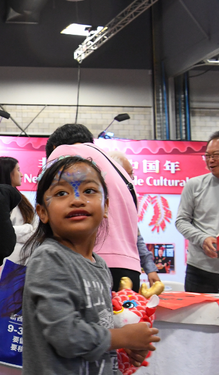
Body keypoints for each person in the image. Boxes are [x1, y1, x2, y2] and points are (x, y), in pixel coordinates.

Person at [20, 156, 159, 374]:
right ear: (43, 212)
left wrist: (124, 346)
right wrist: (122, 337)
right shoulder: (49, 258)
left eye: (89, 191)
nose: (76, 200)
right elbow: (66, 336)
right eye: (61, 193)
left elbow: (98, 325)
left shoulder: (100, 266)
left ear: (105, 207)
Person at [46, 124, 141, 291]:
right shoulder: (119, 169)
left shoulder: (63, 152)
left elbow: (50, 203)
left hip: (88, 264)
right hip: (130, 269)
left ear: (54, 147)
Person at [108, 151, 161, 286]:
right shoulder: (99, 198)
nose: (131, 179)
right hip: (103, 268)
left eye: (132, 174)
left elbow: (136, 237)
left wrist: (150, 268)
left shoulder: (129, 198)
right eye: (129, 174)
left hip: (129, 268)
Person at [176, 131, 219, 292]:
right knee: (197, 318)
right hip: (200, 271)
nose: (211, 160)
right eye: (207, 155)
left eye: (216, 155)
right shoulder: (194, 185)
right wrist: (203, 239)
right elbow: (181, 221)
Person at [0, 157, 37, 264]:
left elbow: (35, 233)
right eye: (18, 170)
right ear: (8, 172)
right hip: (1, 266)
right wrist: (27, 228)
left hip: (23, 265)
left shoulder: (23, 201)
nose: (21, 175)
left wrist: (15, 233)